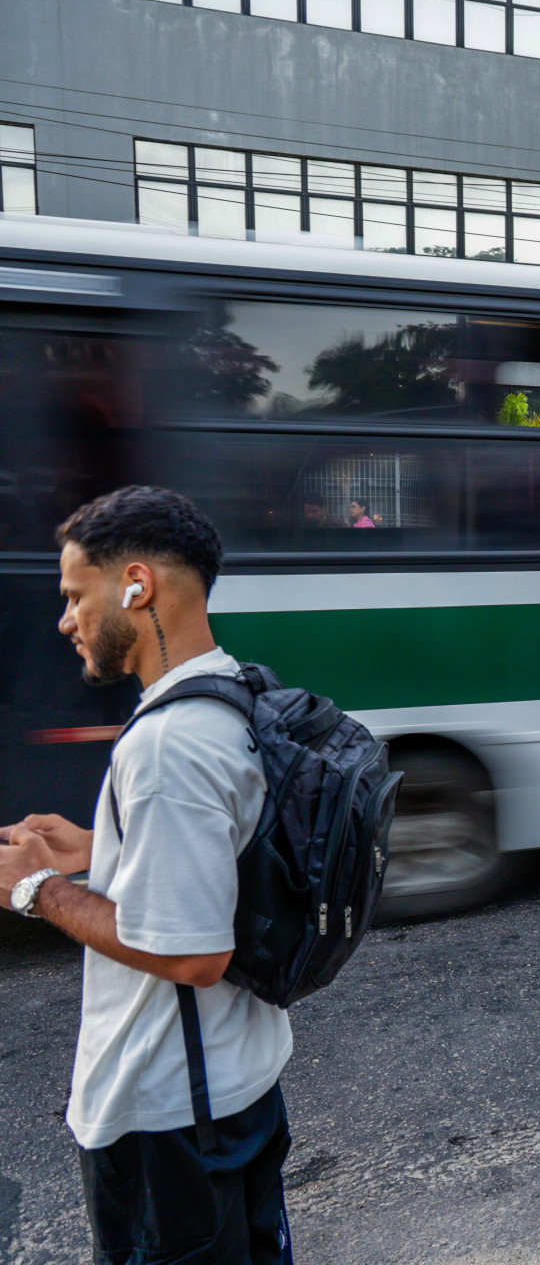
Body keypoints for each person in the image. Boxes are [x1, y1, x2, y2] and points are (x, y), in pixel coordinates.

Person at [0, 486, 292, 1264]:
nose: (65, 620)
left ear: (136, 584)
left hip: (172, 1123)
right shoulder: (232, 691)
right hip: (240, 1087)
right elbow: (220, 852)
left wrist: (38, 890)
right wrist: (102, 850)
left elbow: (195, 955)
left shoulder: (167, 744)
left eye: (74, 595)